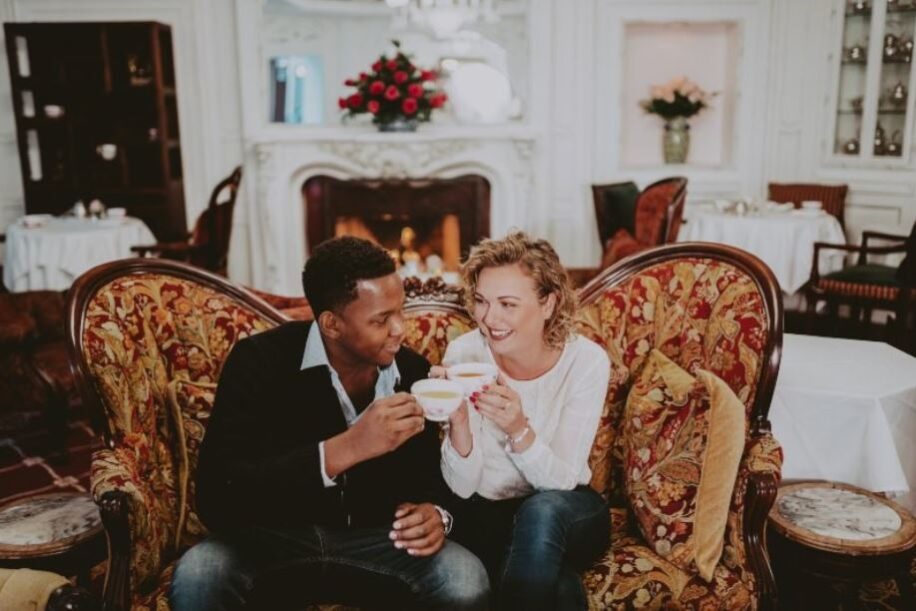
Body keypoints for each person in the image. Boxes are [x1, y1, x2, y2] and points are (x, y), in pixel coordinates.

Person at [170, 236, 489, 610]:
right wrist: (344, 449)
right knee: (200, 572)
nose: (400, 329)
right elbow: (217, 498)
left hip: (382, 542)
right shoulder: (258, 362)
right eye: (381, 319)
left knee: (465, 579)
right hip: (272, 540)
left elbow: (434, 479)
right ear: (331, 324)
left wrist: (438, 514)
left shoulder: (412, 370)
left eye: (400, 311)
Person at [435, 231, 611, 611]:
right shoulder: (465, 355)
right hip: (488, 514)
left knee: (541, 511)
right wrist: (459, 422)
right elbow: (463, 489)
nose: (489, 318)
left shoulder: (586, 362)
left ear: (548, 303)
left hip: (568, 510)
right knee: (561, 588)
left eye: (508, 304)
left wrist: (518, 429)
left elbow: (563, 481)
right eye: (481, 301)